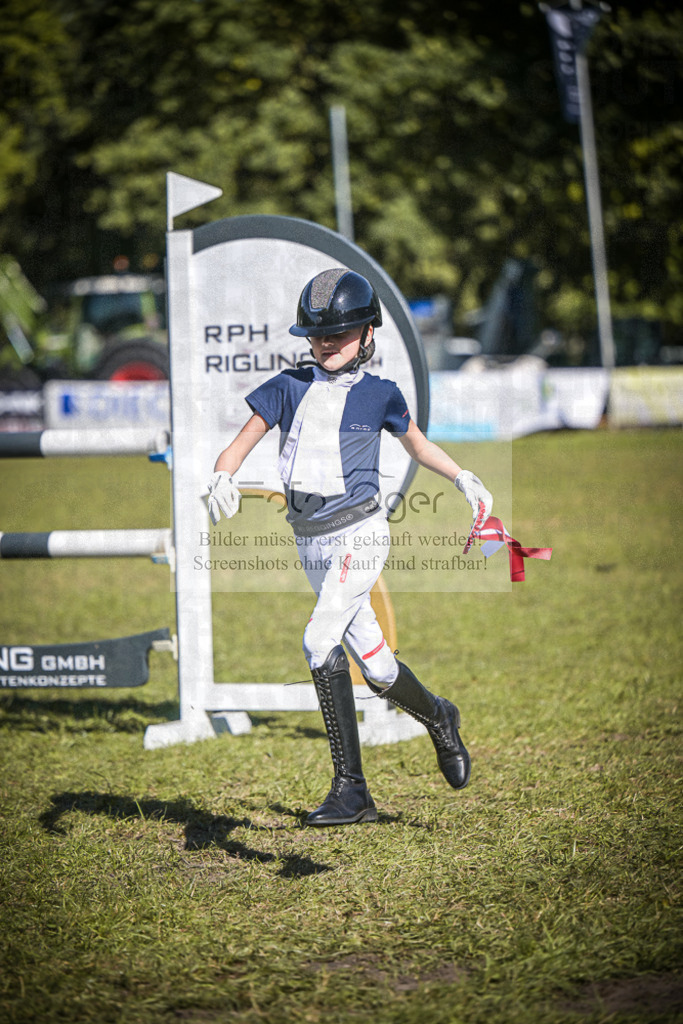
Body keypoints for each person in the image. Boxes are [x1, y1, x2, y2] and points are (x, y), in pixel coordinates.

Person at [206, 268, 493, 827]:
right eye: (316, 336)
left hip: (361, 535)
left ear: (367, 334)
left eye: (337, 335)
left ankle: (351, 789)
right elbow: (241, 441)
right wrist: (222, 475)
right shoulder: (287, 387)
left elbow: (418, 444)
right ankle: (439, 716)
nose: (325, 344)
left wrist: (464, 478)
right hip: (310, 543)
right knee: (380, 668)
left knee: (318, 641)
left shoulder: (381, 394)